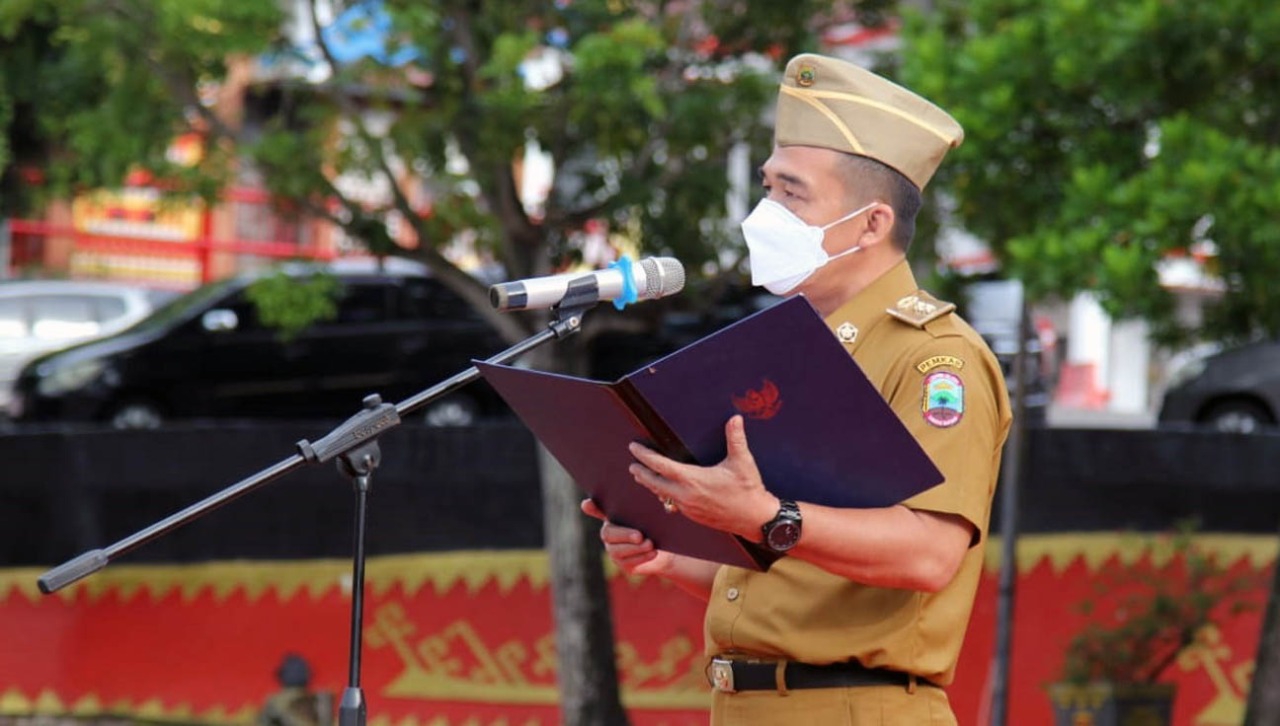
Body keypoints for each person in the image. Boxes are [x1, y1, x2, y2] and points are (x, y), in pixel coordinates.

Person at [582, 52, 1012, 725]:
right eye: (768, 188)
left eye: (792, 192)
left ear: (871, 224)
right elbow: (793, 574)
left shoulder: (936, 359)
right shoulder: (785, 351)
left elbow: (930, 554)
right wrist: (672, 553)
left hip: (854, 708)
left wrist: (764, 515)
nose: (765, 213)